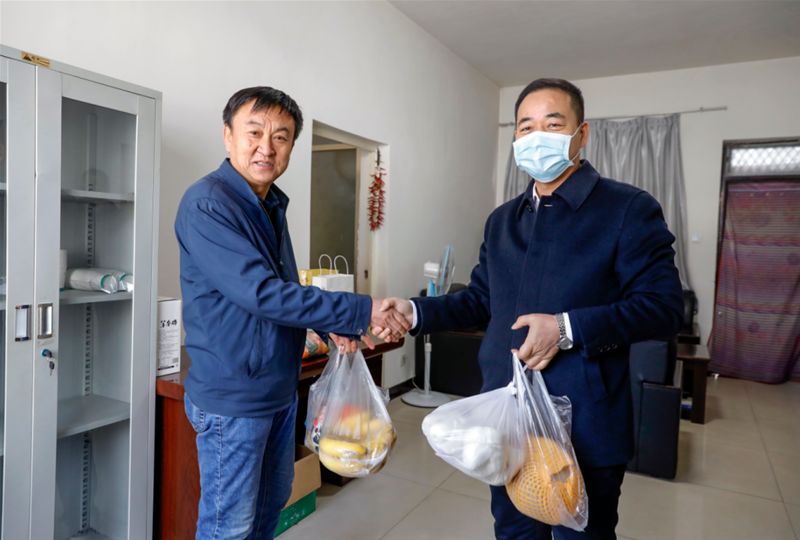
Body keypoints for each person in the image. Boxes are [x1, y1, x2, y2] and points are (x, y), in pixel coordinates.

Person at [376, 78, 684, 539]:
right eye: (526, 126)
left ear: (581, 134)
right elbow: (481, 299)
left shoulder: (627, 209)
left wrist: (565, 328)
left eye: (552, 124)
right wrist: (414, 312)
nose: (537, 135)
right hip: (506, 419)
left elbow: (663, 307)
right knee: (514, 533)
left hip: (585, 422)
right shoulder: (503, 220)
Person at [174, 86, 410, 540]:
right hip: (235, 398)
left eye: (281, 137)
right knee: (229, 528)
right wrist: (361, 310)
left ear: (292, 147)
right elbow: (260, 293)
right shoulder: (209, 203)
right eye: (254, 132)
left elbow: (284, 286)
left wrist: (331, 323)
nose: (267, 147)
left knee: (268, 513)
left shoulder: (269, 203)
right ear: (228, 136)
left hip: (278, 389)